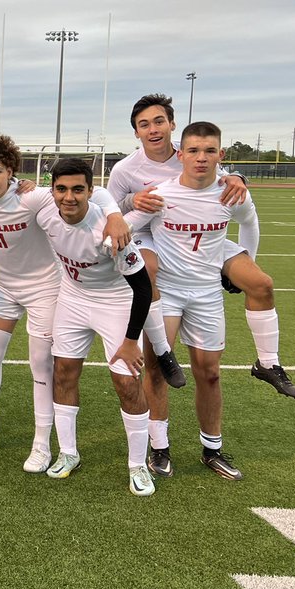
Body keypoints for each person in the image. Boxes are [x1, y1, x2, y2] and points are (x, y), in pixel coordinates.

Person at [0, 135, 130, 474]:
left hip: (44, 289)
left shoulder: (31, 196)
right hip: (3, 288)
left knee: (40, 364)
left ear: (11, 171)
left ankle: (41, 444)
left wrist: (114, 214)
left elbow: (95, 192)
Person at [108, 93, 295, 401]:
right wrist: (132, 199)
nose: (153, 129)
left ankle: (268, 363)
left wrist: (238, 177)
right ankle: (163, 351)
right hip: (149, 232)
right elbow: (111, 209)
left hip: (202, 235)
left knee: (260, 282)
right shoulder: (125, 169)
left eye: (159, 121)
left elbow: (223, 178)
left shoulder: (192, 151)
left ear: (172, 124)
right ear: (136, 132)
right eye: (144, 124)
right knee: (150, 269)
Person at [124, 122, 258, 481]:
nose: (201, 158)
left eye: (209, 151)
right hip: (166, 292)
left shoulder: (230, 193)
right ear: (180, 154)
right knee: (156, 368)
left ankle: (212, 449)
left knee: (210, 374)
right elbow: (124, 225)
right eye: (194, 151)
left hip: (207, 293)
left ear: (221, 155)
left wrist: (245, 262)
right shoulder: (161, 193)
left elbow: (250, 224)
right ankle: (160, 447)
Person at [36, 158, 155, 495]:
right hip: (72, 299)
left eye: (78, 189)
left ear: (90, 191)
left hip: (115, 303)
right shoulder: (46, 213)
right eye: (61, 189)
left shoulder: (109, 229)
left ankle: (137, 465)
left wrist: (131, 341)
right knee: (63, 373)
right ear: (52, 190)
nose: (68, 197)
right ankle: (68, 452)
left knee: (127, 383)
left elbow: (143, 288)